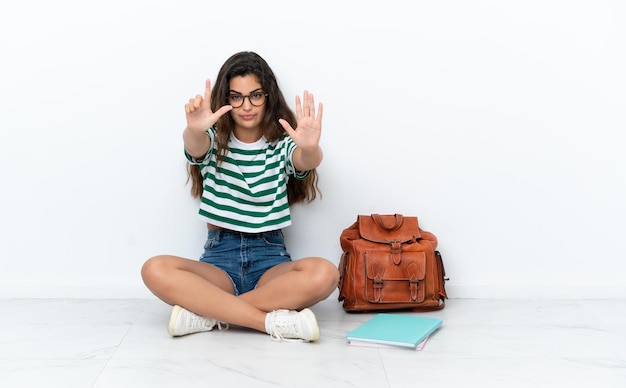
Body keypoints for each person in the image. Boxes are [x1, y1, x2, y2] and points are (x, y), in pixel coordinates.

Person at [141, 51, 339, 342]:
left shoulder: (282, 145)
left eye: (255, 95)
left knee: (326, 274)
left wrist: (309, 147)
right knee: (154, 268)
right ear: (226, 99)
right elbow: (195, 146)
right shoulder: (213, 141)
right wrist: (193, 129)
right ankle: (268, 322)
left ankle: (208, 314)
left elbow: (306, 160)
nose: (246, 106)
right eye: (236, 97)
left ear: (268, 96)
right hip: (219, 260)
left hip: (269, 262)